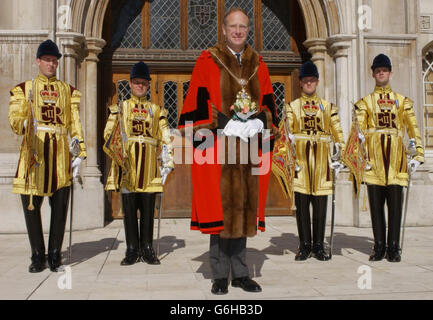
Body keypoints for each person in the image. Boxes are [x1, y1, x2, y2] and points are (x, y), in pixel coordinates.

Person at [178, 7, 278, 295]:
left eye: (243, 27)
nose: (237, 31)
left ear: (249, 30)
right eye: (232, 26)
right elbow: (195, 105)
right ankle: (220, 274)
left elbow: (271, 106)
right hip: (218, 149)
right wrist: (223, 124)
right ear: (223, 29)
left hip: (248, 150)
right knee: (219, 210)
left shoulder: (259, 64)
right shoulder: (207, 60)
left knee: (244, 206)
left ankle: (242, 273)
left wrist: (260, 122)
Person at [8, 39, 86, 272]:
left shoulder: (68, 91)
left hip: (60, 154)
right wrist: (24, 123)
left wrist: (79, 150)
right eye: (47, 60)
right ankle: (37, 255)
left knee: (60, 206)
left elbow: (75, 124)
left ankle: (54, 254)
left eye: (54, 61)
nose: (51, 64)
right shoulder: (25, 89)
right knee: (31, 206)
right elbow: (14, 120)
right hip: (34, 152)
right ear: (38, 61)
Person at [354, 54, 424, 262]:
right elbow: (357, 131)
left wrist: (418, 154)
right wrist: (358, 142)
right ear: (373, 74)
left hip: (396, 161)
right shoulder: (365, 103)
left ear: (390, 73)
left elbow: (413, 128)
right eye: (377, 70)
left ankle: (394, 247)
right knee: (376, 208)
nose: (381, 73)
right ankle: (379, 246)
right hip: (373, 161)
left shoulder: (402, 102)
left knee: (395, 206)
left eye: (384, 70)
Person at [104, 61, 174, 266]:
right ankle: (132, 249)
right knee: (129, 209)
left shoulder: (156, 110)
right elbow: (108, 134)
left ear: (148, 85)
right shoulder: (120, 108)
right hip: (129, 167)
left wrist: (168, 160)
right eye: (137, 82)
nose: (140, 86)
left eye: (144, 83)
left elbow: (166, 136)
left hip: (150, 167)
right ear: (130, 84)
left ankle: (148, 248)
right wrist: (118, 150)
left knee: (147, 209)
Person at [284, 61, 345, 261]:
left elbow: (338, 133)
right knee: (301, 207)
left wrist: (341, 156)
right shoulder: (292, 107)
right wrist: (288, 139)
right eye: (305, 80)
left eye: (312, 80)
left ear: (317, 82)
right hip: (301, 162)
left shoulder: (328, 108)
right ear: (300, 83)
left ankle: (318, 245)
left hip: (322, 163)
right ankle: (304, 245)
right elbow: (286, 132)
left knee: (320, 205)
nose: (309, 83)